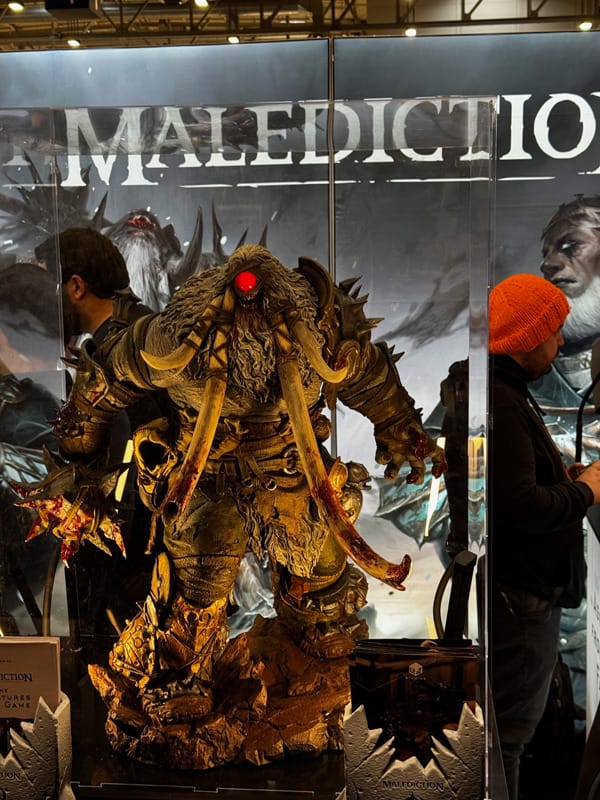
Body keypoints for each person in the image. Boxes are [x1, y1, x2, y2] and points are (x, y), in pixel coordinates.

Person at [488, 272, 600, 800]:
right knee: (508, 737)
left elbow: (520, 487)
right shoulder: (505, 401)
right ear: (528, 338)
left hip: (521, 595)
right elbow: (521, 505)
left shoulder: (506, 394)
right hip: (523, 599)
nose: (560, 344)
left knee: (507, 735)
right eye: (553, 333)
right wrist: (586, 492)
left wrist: (565, 482)